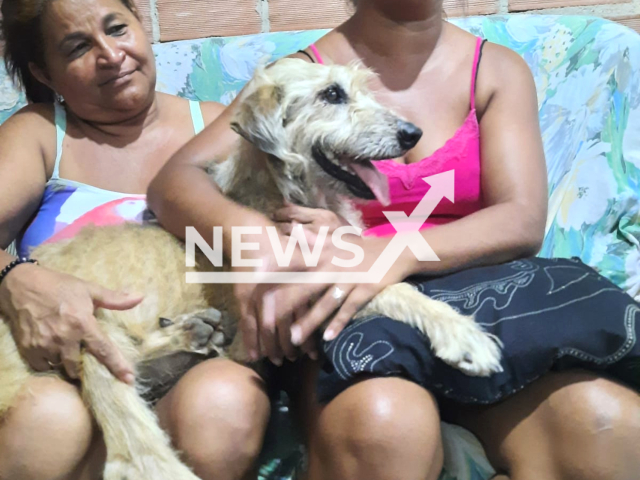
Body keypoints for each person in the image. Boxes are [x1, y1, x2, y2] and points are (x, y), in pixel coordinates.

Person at [150, 2, 640, 480]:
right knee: (384, 424)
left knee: (605, 425)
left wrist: (390, 253)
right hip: (347, 314)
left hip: (473, 302)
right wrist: (255, 242)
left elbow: (521, 219)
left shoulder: (495, 70)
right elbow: (174, 182)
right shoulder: (300, 77)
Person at [0, 1, 272, 479]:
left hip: (196, 353)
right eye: (79, 46)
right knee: (50, 420)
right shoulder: (41, 134)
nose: (111, 54)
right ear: (46, 71)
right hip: (64, 362)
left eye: (117, 29)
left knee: (224, 403)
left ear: (140, 28)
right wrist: (15, 278)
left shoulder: (217, 126)